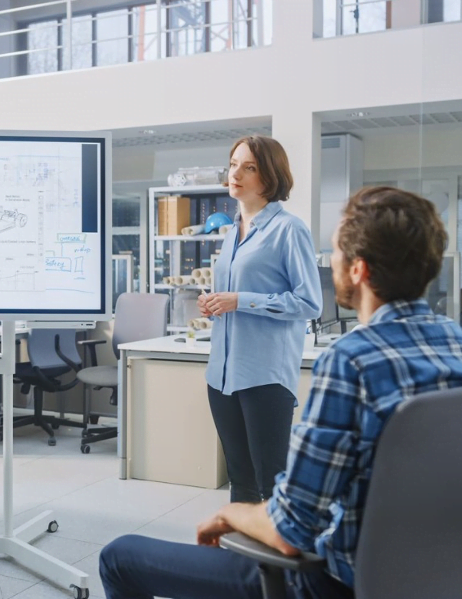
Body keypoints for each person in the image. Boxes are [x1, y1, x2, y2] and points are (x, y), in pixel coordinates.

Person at [100, 186, 462, 599]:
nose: (330, 261)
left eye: (335, 252)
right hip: (436, 580)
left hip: (332, 581)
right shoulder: (455, 344)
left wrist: (231, 512)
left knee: (120, 556)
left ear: (358, 269)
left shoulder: (352, 361)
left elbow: (292, 530)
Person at [199, 135, 322, 503]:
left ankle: (273, 560)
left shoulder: (289, 229)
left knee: (270, 484)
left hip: (264, 377)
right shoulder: (231, 231)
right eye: (233, 164)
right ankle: (240, 558)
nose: (236, 173)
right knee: (241, 481)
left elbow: (309, 303)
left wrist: (241, 300)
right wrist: (213, 304)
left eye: (249, 167)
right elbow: (234, 297)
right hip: (220, 376)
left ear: (269, 176)